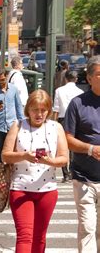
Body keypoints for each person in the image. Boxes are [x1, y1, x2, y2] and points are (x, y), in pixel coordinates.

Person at [2, 89, 68, 252]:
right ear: (28, 110)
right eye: (35, 110)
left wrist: (49, 161)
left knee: (40, 236)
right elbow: (5, 155)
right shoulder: (18, 125)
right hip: (21, 189)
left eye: (43, 110)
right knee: (25, 236)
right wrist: (24, 155)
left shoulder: (56, 127)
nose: (39, 114)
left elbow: (64, 158)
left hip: (48, 190)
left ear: (49, 110)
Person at [63, 55, 100, 252]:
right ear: (90, 77)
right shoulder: (78, 103)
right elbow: (67, 138)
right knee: (87, 227)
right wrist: (90, 149)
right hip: (84, 177)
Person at [0, 69, 24, 171]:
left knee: (13, 151)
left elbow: (19, 106)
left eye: (3, 79)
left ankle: (11, 173)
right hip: (0, 127)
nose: (1, 82)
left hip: (12, 126)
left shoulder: (13, 89)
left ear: (7, 77)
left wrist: (23, 123)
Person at [52, 70, 83, 183]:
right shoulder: (80, 92)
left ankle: (66, 174)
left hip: (63, 119)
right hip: (77, 120)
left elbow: (56, 108)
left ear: (65, 79)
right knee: (73, 147)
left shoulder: (59, 90)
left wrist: (53, 123)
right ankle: (72, 171)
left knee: (62, 146)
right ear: (76, 79)